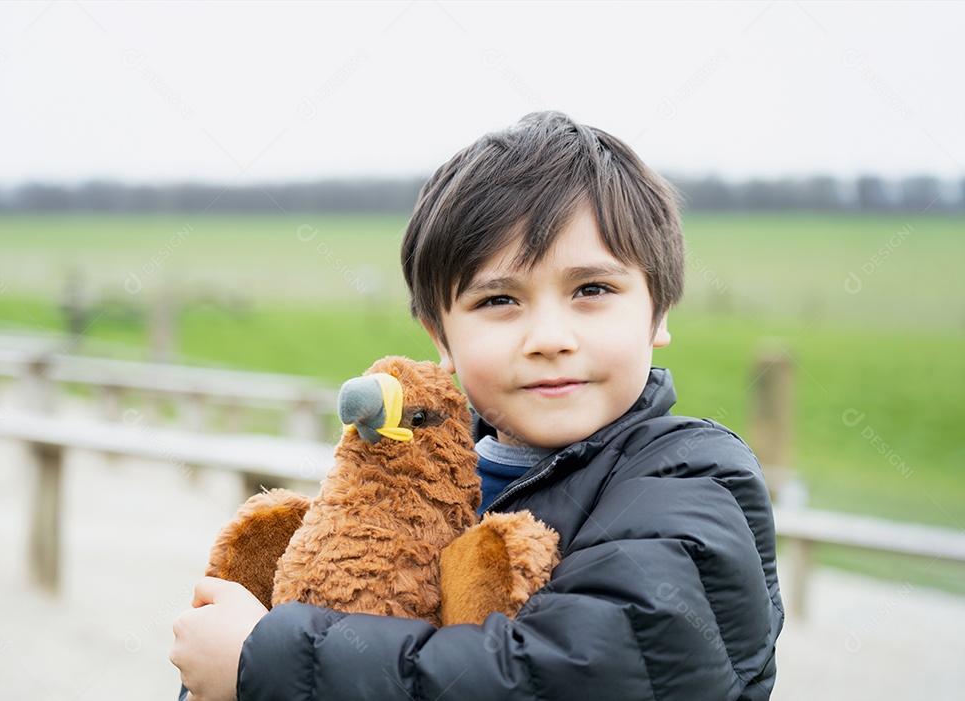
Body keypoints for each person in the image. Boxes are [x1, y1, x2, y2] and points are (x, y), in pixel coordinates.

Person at [171, 111, 784, 701]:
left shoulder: (690, 478)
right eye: (499, 300)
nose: (549, 338)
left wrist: (266, 659)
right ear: (440, 336)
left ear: (659, 310)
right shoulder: (422, 473)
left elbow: (575, 674)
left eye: (591, 289)